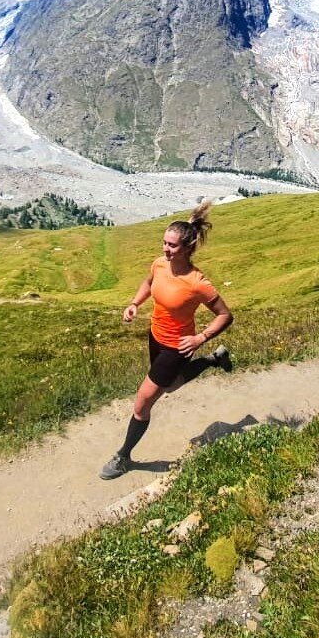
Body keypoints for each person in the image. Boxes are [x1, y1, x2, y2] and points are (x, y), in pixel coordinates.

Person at [99, 200, 234, 480]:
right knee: (170, 386)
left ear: (187, 248)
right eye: (164, 243)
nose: (165, 249)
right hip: (155, 336)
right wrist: (135, 303)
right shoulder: (160, 264)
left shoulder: (198, 282)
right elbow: (148, 283)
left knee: (142, 403)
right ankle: (214, 360)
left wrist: (201, 337)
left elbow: (225, 315)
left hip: (177, 346)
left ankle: (124, 457)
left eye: (172, 246)